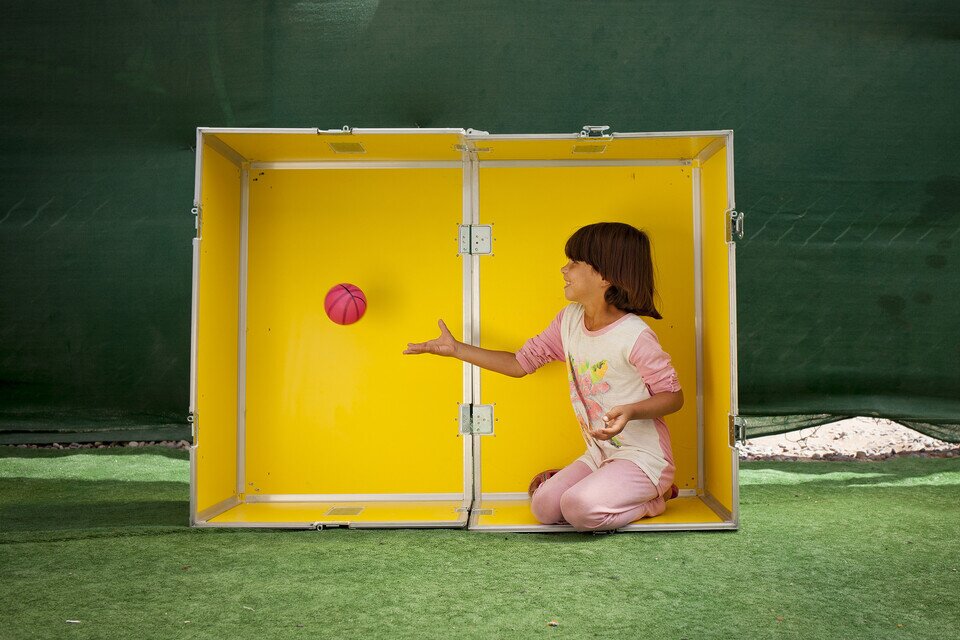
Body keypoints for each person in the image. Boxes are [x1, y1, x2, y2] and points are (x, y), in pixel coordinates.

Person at [403, 222, 683, 532]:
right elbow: (520, 364)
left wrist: (631, 411)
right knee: (543, 507)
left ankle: (655, 499)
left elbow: (673, 397)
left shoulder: (635, 336)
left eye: (574, 262)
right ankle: (594, 488)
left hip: (644, 461)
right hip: (600, 453)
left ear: (604, 276)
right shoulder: (569, 320)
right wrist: (456, 350)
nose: (565, 269)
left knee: (579, 511)